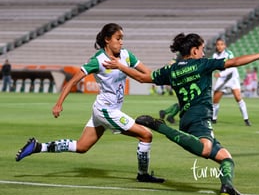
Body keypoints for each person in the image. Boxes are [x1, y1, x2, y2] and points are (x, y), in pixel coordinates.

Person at [103, 32, 259, 195]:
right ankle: (160, 126)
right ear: (195, 50)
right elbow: (234, 62)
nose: (204, 53)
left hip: (188, 120)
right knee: (205, 149)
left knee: (226, 158)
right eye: (203, 49)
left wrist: (120, 66)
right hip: (200, 119)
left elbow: (142, 78)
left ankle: (227, 186)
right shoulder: (202, 65)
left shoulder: (171, 69)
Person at [15, 23, 164, 183]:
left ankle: (38, 146)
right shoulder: (98, 60)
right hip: (106, 111)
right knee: (146, 135)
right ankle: (143, 174)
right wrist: (59, 103)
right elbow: (72, 81)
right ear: (107, 39)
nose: (121, 42)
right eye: (118, 38)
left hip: (104, 110)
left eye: (122, 39)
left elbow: (148, 73)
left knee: (81, 147)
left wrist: (165, 75)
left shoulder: (127, 55)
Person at [211, 38, 251, 126]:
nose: (219, 46)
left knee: (238, 97)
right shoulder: (215, 55)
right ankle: (213, 119)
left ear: (225, 45)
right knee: (215, 99)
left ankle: (246, 119)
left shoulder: (228, 54)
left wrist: (220, 74)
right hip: (222, 79)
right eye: (218, 44)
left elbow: (233, 67)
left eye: (221, 44)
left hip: (232, 78)